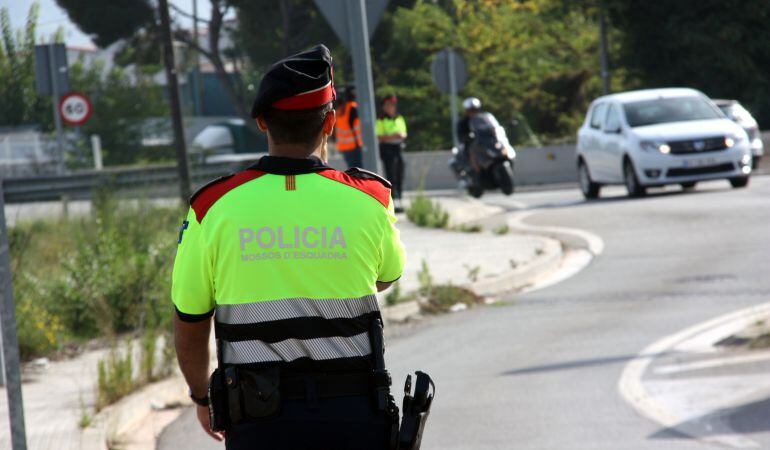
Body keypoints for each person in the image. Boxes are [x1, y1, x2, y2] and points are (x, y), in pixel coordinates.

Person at [172, 44, 406, 450]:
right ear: (330, 121)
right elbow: (386, 276)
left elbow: (191, 319)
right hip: (354, 416)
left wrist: (200, 395)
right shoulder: (371, 198)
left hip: (260, 420)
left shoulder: (211, 207)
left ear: (262, 121)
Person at [376, 94, 407, 212]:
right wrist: (395, 135)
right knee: (391, 175)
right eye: (388, 105)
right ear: (384, 106)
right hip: (387, 149)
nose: (391, 107)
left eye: (392, 105)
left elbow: (404, 133)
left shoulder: (399, 118)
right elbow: (381, 137)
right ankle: (393, 200)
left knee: (400, 173)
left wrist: (397, 136)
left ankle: (400, 198)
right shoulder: (381, 119)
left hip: (398, 148)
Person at [335, 85, 364, 168]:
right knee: (358, 173)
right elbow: (356, 128)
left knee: (351, 172)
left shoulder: (338, 111)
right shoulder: (352, 107)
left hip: (344, 147)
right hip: (354, 146)